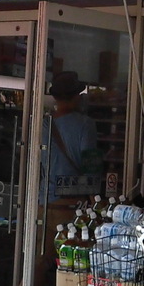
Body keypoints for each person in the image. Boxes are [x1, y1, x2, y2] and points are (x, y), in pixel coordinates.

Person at [45, 71, 100, 202]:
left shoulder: (44, 124)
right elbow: (91, 168)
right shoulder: (86, 124)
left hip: (44, 199)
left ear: (56, 97)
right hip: (73, 201)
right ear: (75, 96)